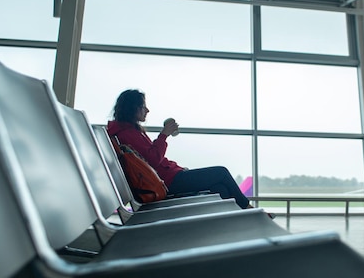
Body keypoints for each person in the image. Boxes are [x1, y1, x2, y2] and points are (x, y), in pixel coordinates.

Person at [107, 89, 255, 211]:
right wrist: (164, 135)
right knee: (221, 172)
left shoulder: (127, 131)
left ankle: (237, 220)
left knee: (220, 188)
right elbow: (153, 159)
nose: (147, 110)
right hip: (167, 182)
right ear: (132, 108)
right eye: (143, 106)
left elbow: (149, 159)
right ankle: (247, 208)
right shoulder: (127, 134)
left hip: (167, 178)